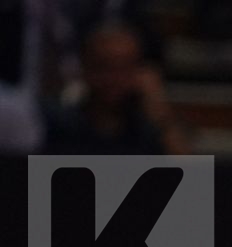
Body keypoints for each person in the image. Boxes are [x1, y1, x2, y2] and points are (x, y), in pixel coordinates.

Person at [42, 20, 189, 155]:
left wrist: (162, 118)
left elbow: (189, 171)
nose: (114, 79)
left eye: (124, 68)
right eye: (104, 67)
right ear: (84, 69)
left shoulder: (149, 131)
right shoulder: (59, 127)